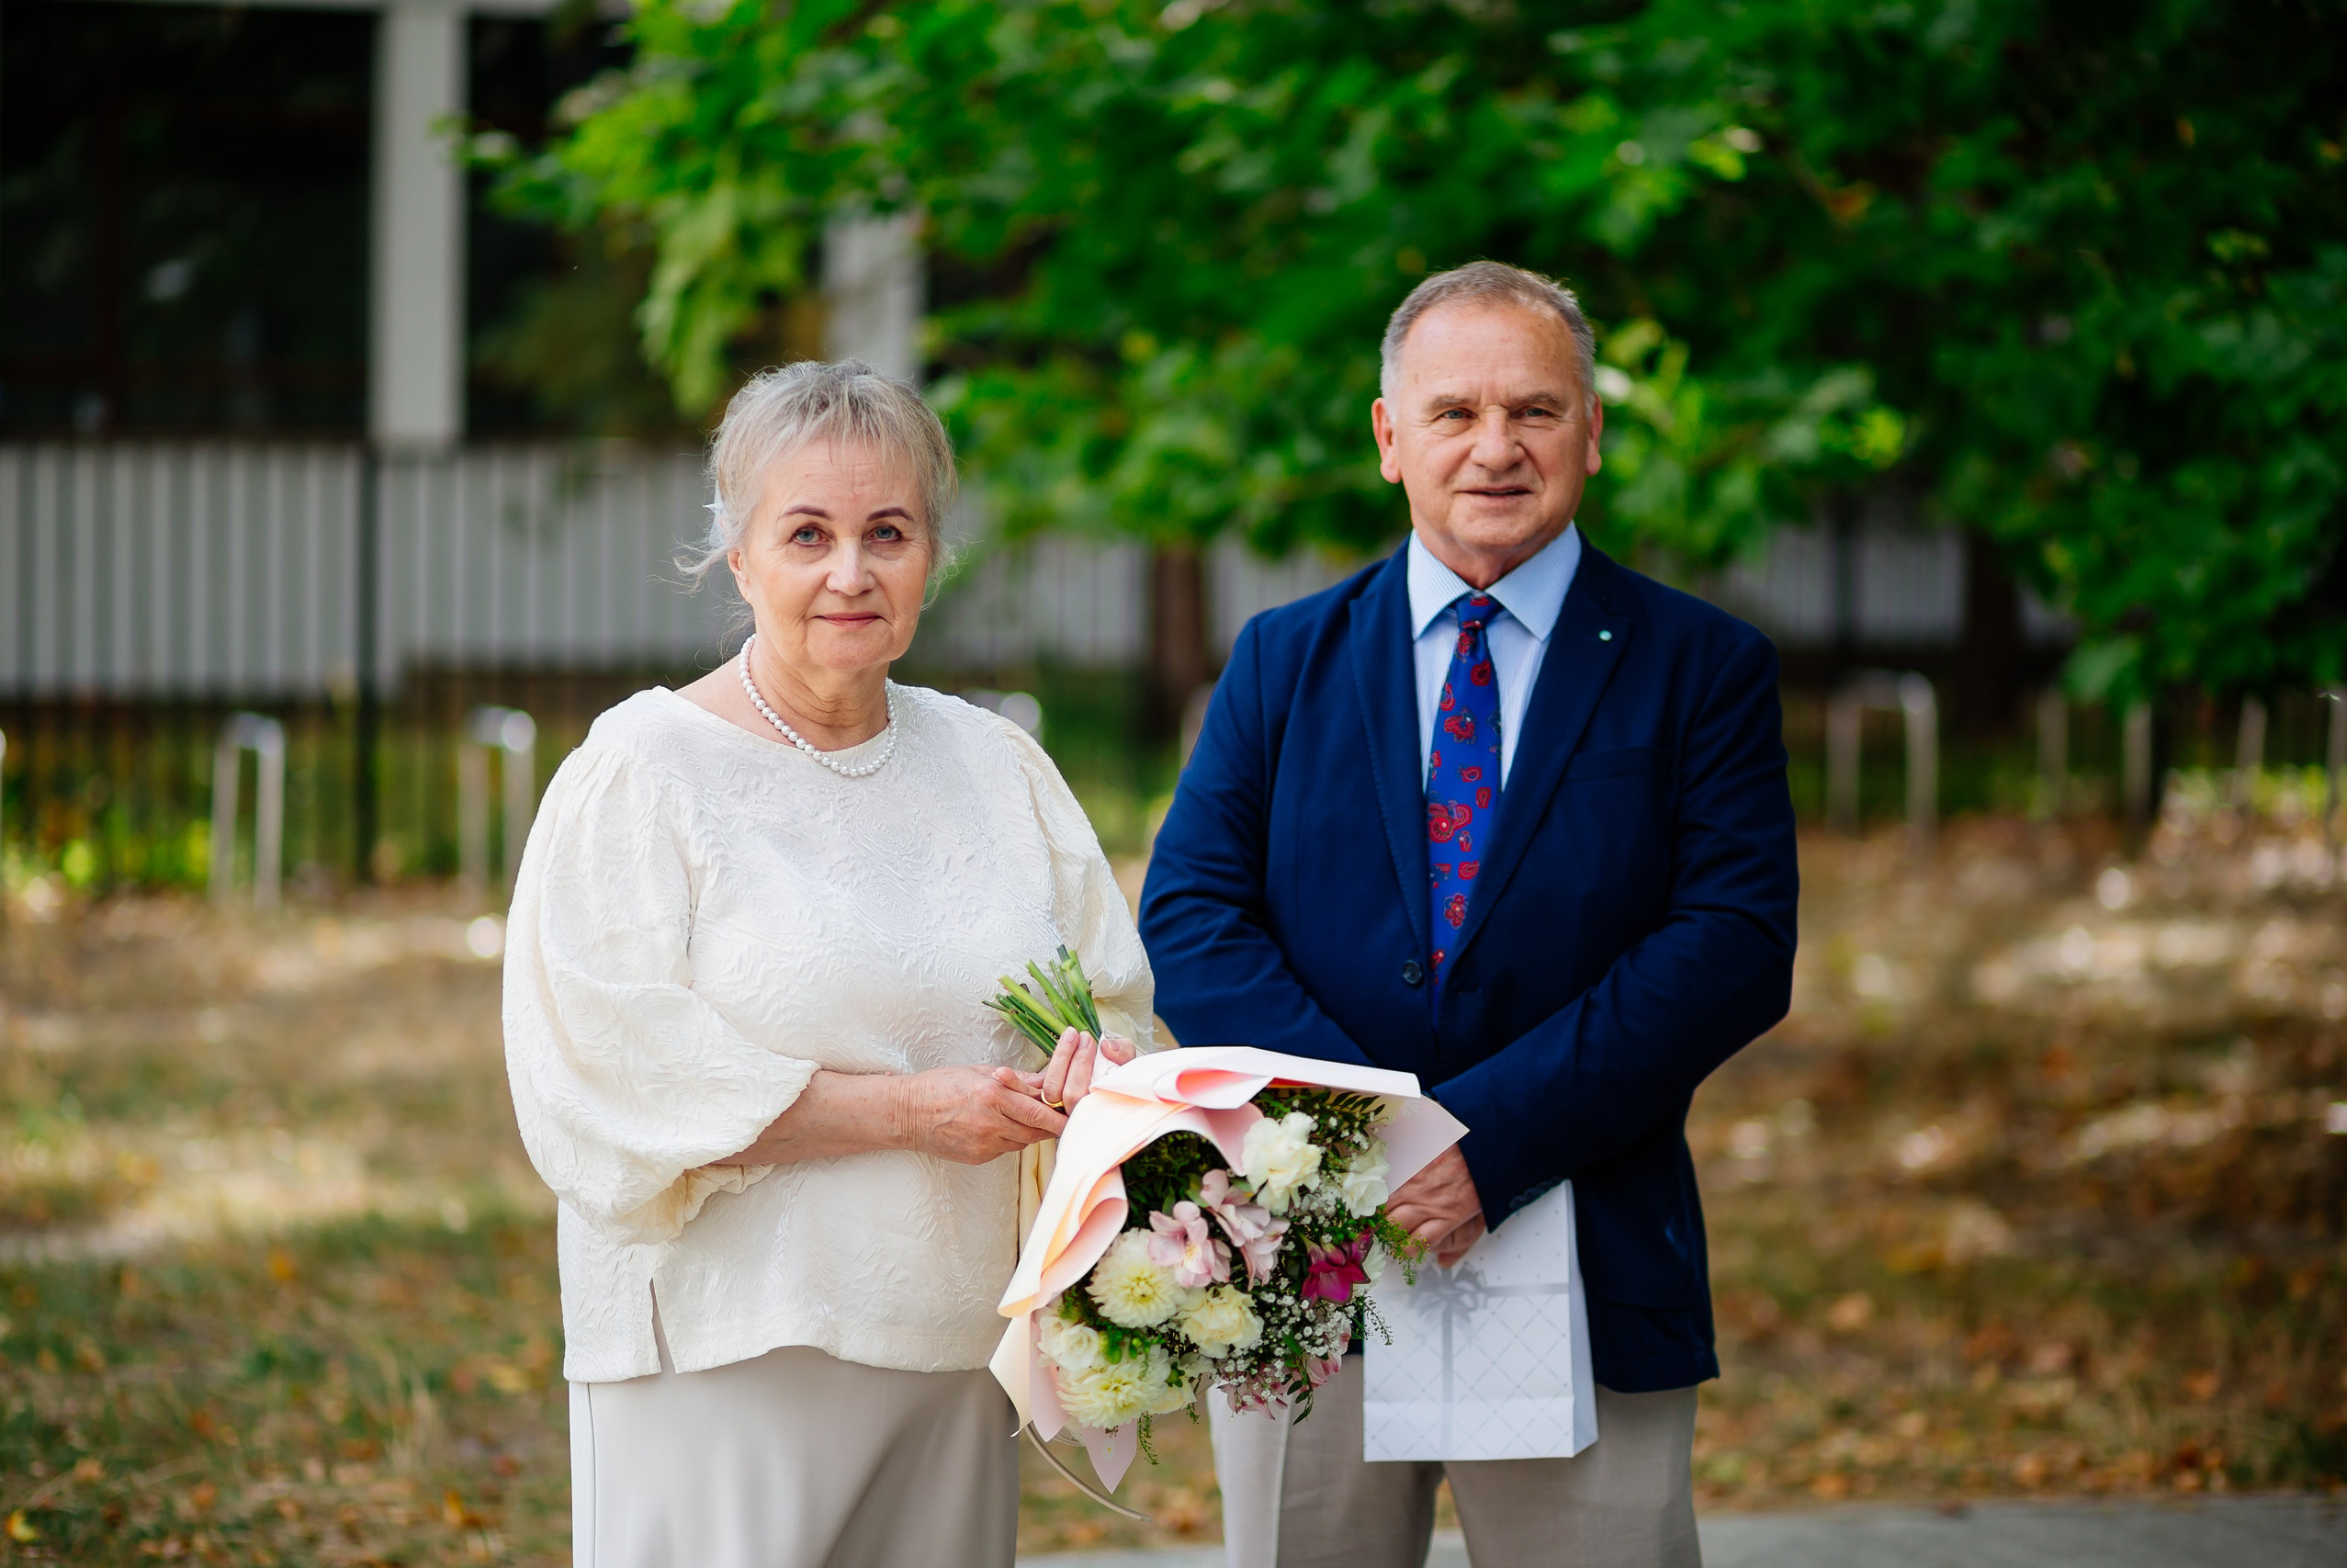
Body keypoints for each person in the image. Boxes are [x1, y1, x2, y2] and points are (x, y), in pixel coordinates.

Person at [1139, 262, 1800, 1568]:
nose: (1495, 448)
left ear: (1593, 433)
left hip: (1585, 1233)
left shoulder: (1701, 668)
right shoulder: (1284, 657)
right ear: (1390, 439)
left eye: (1536, 411)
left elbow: (1731, 947)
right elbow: (1193, 916)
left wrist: (1485, 1145)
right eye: (1453, 413)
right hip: (1308, 1250)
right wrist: (1369, 1138)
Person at [502, 359, 1144, 1568]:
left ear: (932, 556)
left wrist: (1104, 1077)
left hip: (960, 1352)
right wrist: (909, 1110)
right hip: (727, 1349)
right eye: (808, 533)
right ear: (737, 557)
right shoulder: (643, 770)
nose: (850, 572)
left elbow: (1119, 1001)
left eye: (887, 533)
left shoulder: (997, 765)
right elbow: (603, 1082)